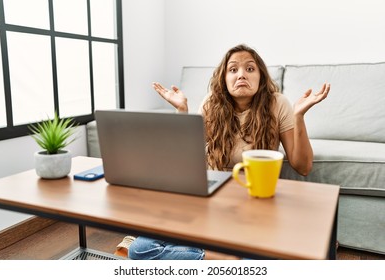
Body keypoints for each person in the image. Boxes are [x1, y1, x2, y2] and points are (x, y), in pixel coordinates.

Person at [118, 44, 330, 260]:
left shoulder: (278, 103)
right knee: (139, 249)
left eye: (250, 69)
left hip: (254, 203)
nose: (241, 75)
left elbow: (303, 166)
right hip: (212, 198)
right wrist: (182, 111)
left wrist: (299, 116)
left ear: (261, 77)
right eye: (233, 69)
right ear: (224, 78)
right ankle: (224, 261)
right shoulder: (212, 103)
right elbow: (183, 162)